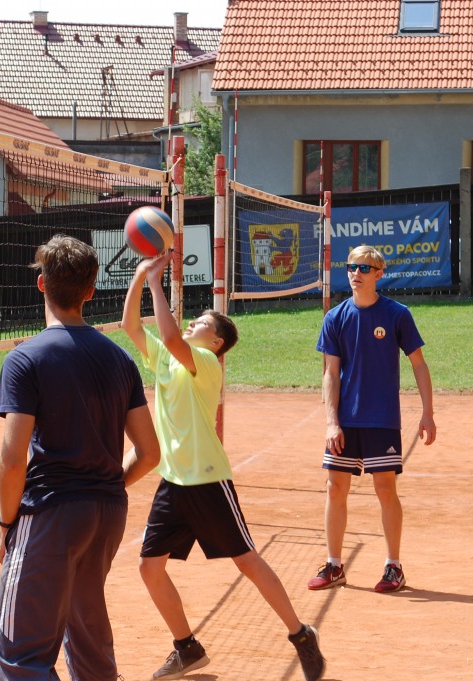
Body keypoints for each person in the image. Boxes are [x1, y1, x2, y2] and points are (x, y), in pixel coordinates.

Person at [122, 252, 326, 681]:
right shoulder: (168, 359)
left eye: (202, 322)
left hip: (208, 480)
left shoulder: (207, 363)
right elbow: (131, 327)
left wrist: (157, 283)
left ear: (216, 342)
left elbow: (171, 338)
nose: (194, 322)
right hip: (173, 482)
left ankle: (300, 634)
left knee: (246, 561)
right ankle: (187, 648)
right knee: (149, 567)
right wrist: (140, 277)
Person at [0, 235, 161, 681]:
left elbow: (13, 459)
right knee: (85, 631)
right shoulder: (120, 359)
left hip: (52, 511)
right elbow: (150, 453)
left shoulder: (25, 358)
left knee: (20, 654)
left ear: (41, 284)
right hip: (107, 512)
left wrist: (7, 524)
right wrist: (103, 485)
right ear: (90, 291)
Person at [307, 245, 436, 594]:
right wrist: (331, 421)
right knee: (335, 487)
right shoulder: (335, 318)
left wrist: (427, 413)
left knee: (385, 489)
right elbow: (330, 373)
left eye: (364, 268)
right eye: (352, 267)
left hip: (381, 418)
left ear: (379, 274)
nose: (356, 273)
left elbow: (419, 364)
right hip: (346, 419)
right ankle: (334, 565)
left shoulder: (397, 314)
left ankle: (394, 566)